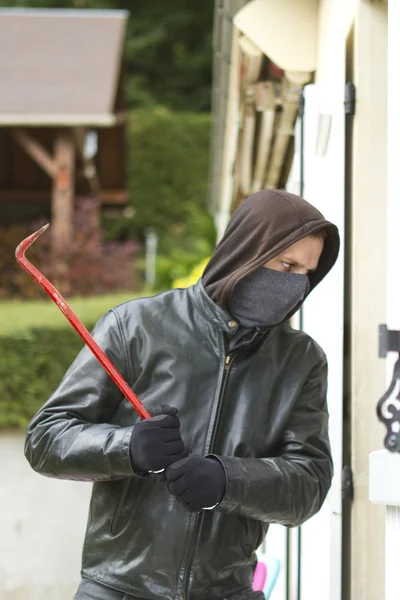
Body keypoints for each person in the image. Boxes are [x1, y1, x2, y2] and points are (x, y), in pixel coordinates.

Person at [25, 189, 340, 600]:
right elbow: (45, 439)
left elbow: (310, 483)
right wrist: (128, 447)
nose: (296, 284)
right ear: (247, 250)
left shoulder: (301, 360)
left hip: (228, 591)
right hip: (117, 589)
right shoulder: (134, 326)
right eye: (287, 265)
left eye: (307, 273)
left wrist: (229, 480)